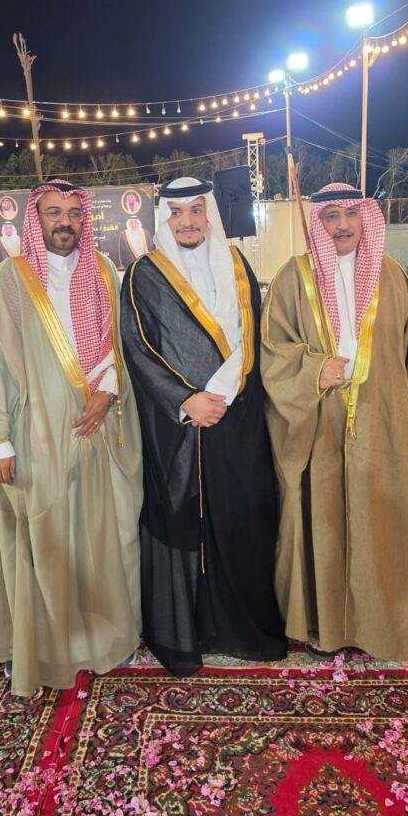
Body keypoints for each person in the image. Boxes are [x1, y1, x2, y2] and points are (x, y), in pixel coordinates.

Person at [0, 179, 142, 697]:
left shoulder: (104, 271)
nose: (64, 222)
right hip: (36, 432)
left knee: (104, 536)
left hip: (99, 424)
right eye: (53, 213)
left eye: (73, 213)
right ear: (36, 218)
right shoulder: (7, 281)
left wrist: (108, 392)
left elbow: (121, 343)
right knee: (44, 542)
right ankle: (42, 648)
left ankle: (105, 638)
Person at [261, 182, 408, 662]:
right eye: (331, 216)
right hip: (318, 425)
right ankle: (325, 627)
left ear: (366, 218)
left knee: (382, 520)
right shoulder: (293, 278)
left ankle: (386, 624)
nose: (342, 225)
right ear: (318, 222)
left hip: (383, 421)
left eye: (351, 215)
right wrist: (315, 369)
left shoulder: (390, 274)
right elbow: (273, 352)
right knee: (325, 527)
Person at [120, 176, 286, 676]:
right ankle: (189, 631)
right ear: (164, 219)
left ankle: (241, 627)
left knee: (243, 514)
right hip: (180, 426)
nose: (188, 221)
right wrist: (187, 400)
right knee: (183, 521)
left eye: (196, 210)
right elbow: (138, 349)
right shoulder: (145, 274)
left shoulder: (237, 264)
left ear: (209, 213)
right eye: (177, 213)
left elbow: (254, 334)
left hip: (238, 417)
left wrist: (230, 395)